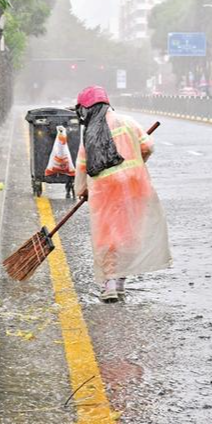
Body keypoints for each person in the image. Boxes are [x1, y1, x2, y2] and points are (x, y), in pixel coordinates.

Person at [73, 86, 172, 303]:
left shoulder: (89, 132)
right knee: (127, 234)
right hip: (135, 186)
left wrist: (82, 190)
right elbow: (148, 145)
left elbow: (82, 165)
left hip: (105, 191)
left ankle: (109, 284)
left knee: (107, 237)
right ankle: (120, 284)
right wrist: (137, 162)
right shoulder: (127, 121)